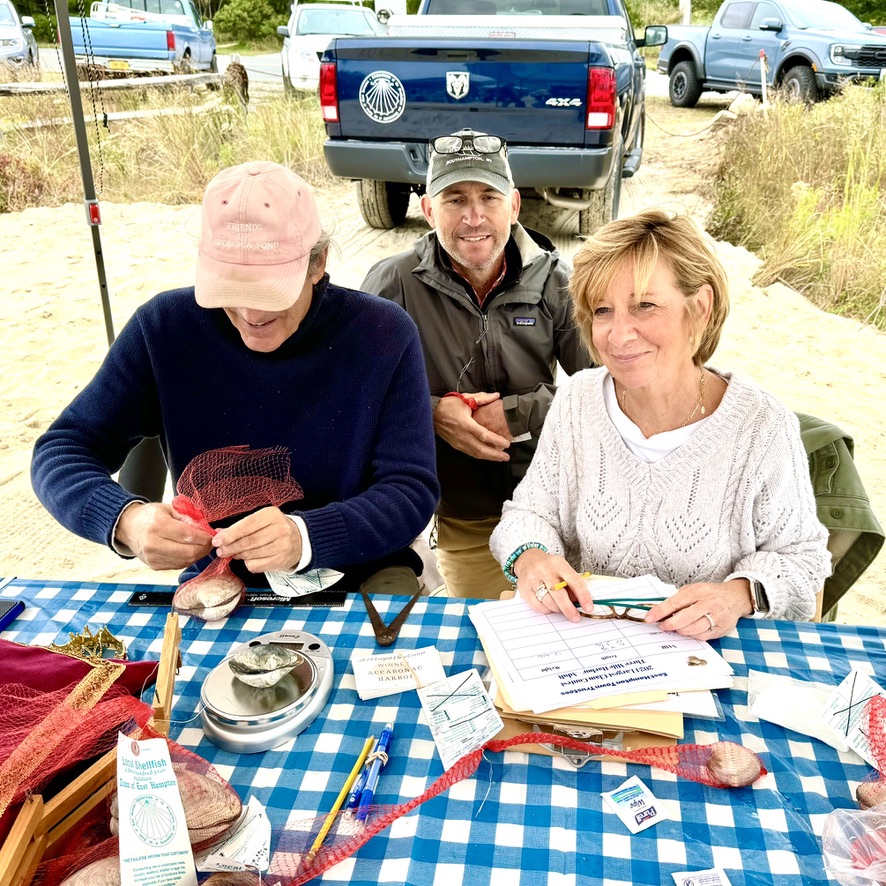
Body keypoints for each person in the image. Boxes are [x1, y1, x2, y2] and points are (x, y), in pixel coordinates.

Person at [31, 161, 439, 595]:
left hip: (363, 571)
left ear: (317, 263)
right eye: (231, 288)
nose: (251, 314)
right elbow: (62, 449)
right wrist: (125, 519)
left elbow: (410, 489)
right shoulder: (164, 328)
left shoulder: (382, 332)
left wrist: (306, 536)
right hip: (219, 581)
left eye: (270, 290)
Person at [490, 208, 831, 638]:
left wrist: (739, 595)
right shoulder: (577, 399)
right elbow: (528, 513)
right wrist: (532, 556)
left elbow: (804, 563)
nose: (618, 334)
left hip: (707, 658)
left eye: (644, 306)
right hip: (587, 652)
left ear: (700, 307)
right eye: (602, 311)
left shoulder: (762, 425)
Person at [361, 128, 591, 599]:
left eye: (489, 196)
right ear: (427, 209)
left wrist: (515, 415)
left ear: (515, 206)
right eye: (454, 199)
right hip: (463, 518)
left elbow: (609, 392)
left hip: (553, 510)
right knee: (478, 637)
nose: (473, 216)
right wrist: (430, 412)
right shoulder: (391, 284)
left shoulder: (558, 281)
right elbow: (355, 397)